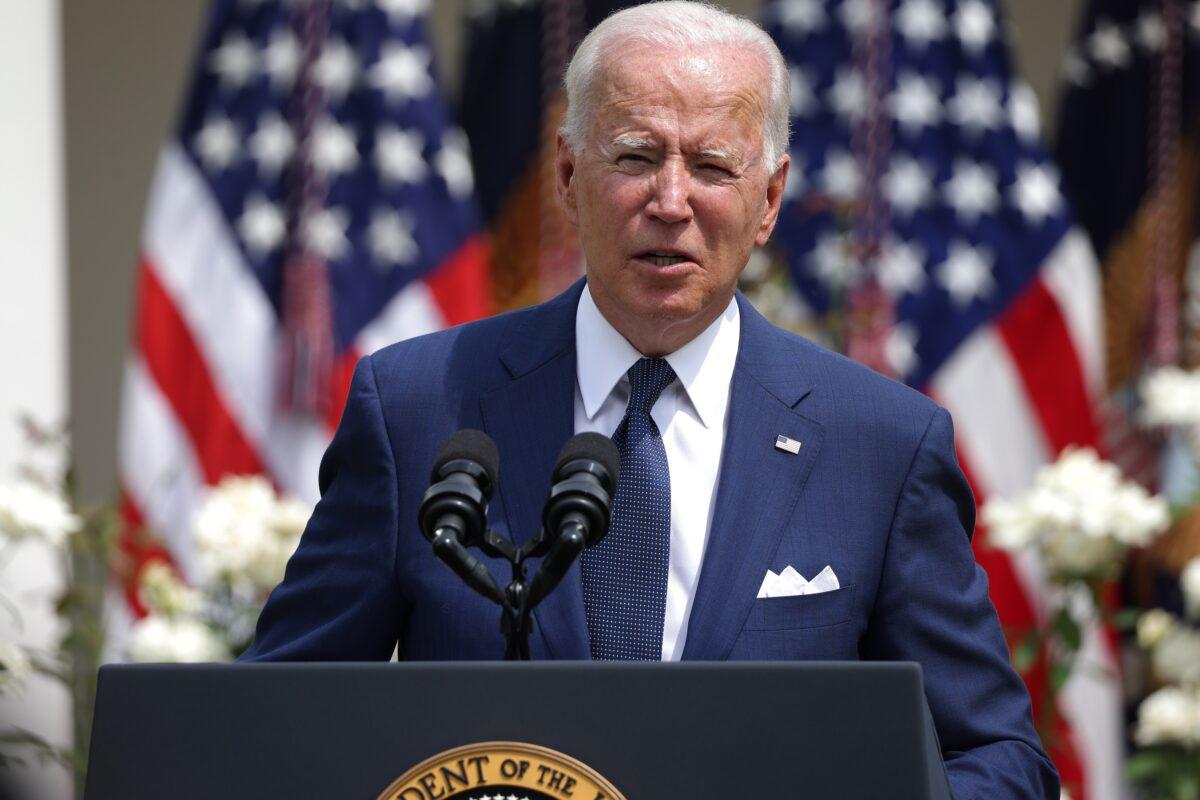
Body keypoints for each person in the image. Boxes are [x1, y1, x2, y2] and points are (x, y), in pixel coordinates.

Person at [242, 2, 1058, 796]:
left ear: (769, 199)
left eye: (711, 166)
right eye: (635, 157)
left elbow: (997, 759)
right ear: (568, 176)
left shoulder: (880, 442)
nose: (671, 202)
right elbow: (273, 726)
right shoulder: (418, 407)